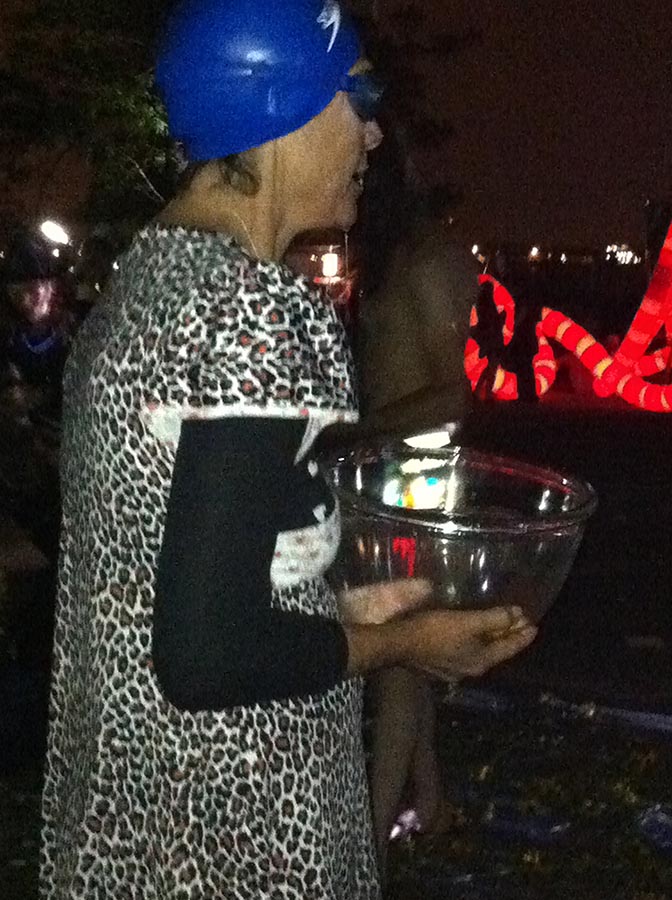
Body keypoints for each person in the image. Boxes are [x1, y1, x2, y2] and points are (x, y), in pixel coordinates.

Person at [40, 2, 537, 897]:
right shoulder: (259, 311)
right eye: (359, 99)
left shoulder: (147, 282)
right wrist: (402, 642)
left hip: (133, 819)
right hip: (246, 830)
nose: (374, 136)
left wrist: (359, 609)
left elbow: (191, 572)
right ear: (280, 103)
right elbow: (208, 653)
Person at [355, 123, 480, 872]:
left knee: (399, 658)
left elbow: (450, 395)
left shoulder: (433, 259)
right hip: (389, 465)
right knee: (403, 645)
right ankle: (429, 803)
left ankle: (367, 846)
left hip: (417, 468)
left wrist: (357, 430)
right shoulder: (398, 256)